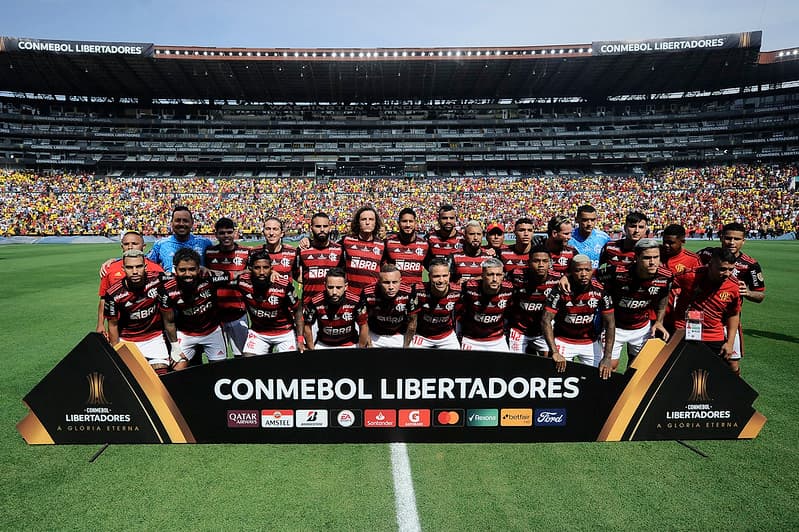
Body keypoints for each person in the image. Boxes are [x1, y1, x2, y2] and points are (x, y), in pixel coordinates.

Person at [697, 222, 765, 366]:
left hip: (728, 320)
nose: (732, 242)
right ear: (721, 238)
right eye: (728, 238)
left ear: (743, 241)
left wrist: (747, 292)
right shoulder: (707, 254)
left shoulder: (750, 265)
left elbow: (760, 296)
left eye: (737, 239)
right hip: (701, 318)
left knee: (733, 364)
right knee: (696, 359)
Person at [105, 249, 182, 375]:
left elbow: (182, 275)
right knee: (132, 379)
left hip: (154, 338)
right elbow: (113, 325)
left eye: (139, 266)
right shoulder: (113, 294)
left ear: (145, 266)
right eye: (130, 267)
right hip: (128, 340)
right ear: (123, 268)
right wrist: (116, 351)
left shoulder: (157, 279)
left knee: (161, 376)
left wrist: (203, 268)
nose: (135, 271)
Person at [598, 238, 672, 370]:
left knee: (639, 368)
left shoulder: (665, 277)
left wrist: (659, 321)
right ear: (636, 257)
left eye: (656, 257)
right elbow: (591, 277)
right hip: (615, 327)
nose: (652, 262)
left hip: (641, 328)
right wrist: (567, 277)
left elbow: (663, 297)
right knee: (609, 366)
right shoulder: (617, 272)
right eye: (647, 258)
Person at [542, 254, 615, 379]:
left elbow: (610, 323)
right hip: (564, 340)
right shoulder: (560, 290)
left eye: (587, 270)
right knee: (558, 379)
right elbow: (546, 320)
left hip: (589, 342)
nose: (583, 274)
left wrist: (607, 357)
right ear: (570, 272)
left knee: (599, 377)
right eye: (578, 270)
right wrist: (555, 352)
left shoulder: (600, 290)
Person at [673, 248, 742, 373]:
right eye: (722, 269)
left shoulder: (733, 286)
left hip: (713, 335)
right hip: (684, 332)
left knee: (713, 375)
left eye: (731, 269)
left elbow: (733, 314)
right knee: (680, 373)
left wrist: (730, 343)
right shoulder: (690, 275)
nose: (727, 273)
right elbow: (665, 286)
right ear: (709, 265)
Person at [159, 248, 229, 364]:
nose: (187, 274)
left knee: (220, 370)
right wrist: (175, 347)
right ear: (175, 269)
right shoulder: (167, 289)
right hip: (186, 333)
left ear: (199, 268)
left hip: (212, 331)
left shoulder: (210, 278)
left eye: (192, 269)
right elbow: (169, 322)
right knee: (177, 370)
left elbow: (236, 275)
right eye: (182, 270)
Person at [231, 250, 303, 355]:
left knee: (288, 365)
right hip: (259, 332)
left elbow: (298, 309)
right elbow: (220, 279)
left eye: (265, 268)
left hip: (284, 332)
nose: (261, 272)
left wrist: (300, 338)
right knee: (248, 362)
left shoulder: (283, 286)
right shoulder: (243, 282)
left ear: (271, 268)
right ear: (250, 269)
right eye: (257, 268)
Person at [96, 230, 163, 340]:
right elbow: (104, 299)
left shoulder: (156, 269)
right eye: (126, 244)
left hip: (150, 331)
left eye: (134, 244)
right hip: (120, 329)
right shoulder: (109, 269)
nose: (130, 247)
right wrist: (100, 324)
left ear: (144, 246)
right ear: (122, 246)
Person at [204, 217, 250, 357]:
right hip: (216, 315)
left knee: (242, 355)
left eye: (229, 232)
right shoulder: (209, 253)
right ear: (216, 234)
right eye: (222, 233)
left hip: (238, 313)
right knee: (219, 357)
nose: (226, 236)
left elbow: (253, 271)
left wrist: (239, 273)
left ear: (234, 233)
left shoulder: (245, 252)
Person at [508, 245, 560, 355]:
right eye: (536, 261)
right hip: (519, 329)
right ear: (529, 262)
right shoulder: (516, 275)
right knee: (515, 363)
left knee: (547, 362)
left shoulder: (557, 279)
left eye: (545, 261)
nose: (541, 265)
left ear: (550, 263)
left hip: (543, 330)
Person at [303, 268, 369, 349]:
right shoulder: (315, 302)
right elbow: (306, 326)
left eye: (338, 287)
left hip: (349, 344)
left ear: (345, 287)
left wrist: (360, 349)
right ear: (325, 285)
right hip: (324, 345)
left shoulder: (356, 301)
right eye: (330, 287)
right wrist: (311, 349)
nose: (334, 292)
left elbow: (363, 325)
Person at [458, 257, 514, 352]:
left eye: (498, 274)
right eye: (490, 275)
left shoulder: (509, 289)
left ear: (503, 276)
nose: (495, 279)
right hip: (471, 340)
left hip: (498, 340)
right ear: (482, 275)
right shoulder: (468, 288)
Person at [293, 212, 344, 307]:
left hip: (333, 306)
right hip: (309, 306)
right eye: (318, 226)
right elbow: (294, 273)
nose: (322, 229)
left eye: (325, 226)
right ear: (311, 227)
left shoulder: (339, 249)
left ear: (330, 227)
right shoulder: (302, 250)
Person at [362, 264, 418, 348]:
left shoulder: (409, 292)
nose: (391, 287)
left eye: (395, 282)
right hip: (374, 335)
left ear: (400, 281)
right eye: (386, 282)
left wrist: (406, 346)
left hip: (399, 335)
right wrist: (368, 342)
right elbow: (363, 321)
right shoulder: (368, 293)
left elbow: (412, 322)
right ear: (379, 282)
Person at [410, 258, 462, 349]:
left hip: (446, 336)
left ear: (449, 275)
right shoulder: (417, 290)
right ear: (429, 276)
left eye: (444, 276)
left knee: (456, 360)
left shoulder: (458, 291)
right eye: (436, 276)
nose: (441, 280)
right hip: (423, 336)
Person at [660, 224, 702, 330]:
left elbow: (698, 289)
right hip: (656, 315)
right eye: (664, 241)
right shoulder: (655, 254)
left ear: (682, 241)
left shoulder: (692, 260)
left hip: (680, 317)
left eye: (671, 243)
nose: (666, 245)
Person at [147, 206, 213, 271]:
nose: (181, 224)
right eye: (178, 220)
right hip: (171, 282)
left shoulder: (205, 243)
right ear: (171, 223)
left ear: (192, 223)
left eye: (185, 221)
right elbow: (148, 265)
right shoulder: (160, 244)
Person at [341, 205, 385, 295]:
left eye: (371, 219)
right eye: (364, 219)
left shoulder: (382, 244)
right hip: (351, 297)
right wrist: (308, 241)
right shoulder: (347, 240)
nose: (367, 222)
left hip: (373, 296)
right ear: (358, 222)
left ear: (376, 223)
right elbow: (327, 246)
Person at [382, 207, 428, 288]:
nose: (408, 225)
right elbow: (381, 266)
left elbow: (431, 267)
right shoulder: (388, 242)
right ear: (398, 223)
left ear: (415, 223)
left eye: (411, 221)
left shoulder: (424, 244)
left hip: (416, 293)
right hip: (396, 292)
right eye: (404, 221)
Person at [568, 205, 610, 269]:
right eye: (585, 220)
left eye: (592, 220)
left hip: (597, 278)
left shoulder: (604, 238)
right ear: (577, 220)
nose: (589, 224)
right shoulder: (569, 238)